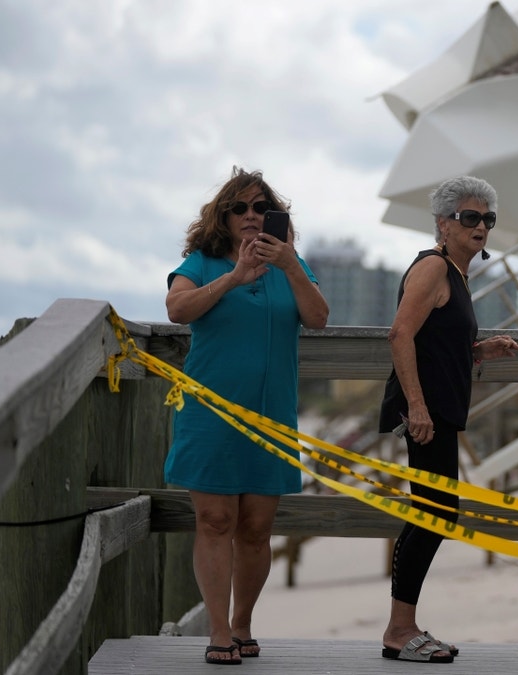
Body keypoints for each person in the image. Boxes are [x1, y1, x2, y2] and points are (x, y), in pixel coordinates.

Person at [164, 167, 329, 665]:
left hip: (272, 415)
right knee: (215, 520)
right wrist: (234, 278)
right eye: (241, 208)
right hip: (209, 413)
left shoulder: (290, 264)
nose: (251, 216)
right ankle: (217, 630)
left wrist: (291, 266)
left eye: (261, 207)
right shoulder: (203, 261)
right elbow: (177, 309)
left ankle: (242, 624)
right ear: (224, 216)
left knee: (256, 528)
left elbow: (318, 317)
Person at [377, 175, 518, 664]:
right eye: (470, 217)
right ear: (443, 223)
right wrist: (416, 407)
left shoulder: (456, 275)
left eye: (488, 218)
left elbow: (435, 340)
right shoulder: (434, 267)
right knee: (433, 515)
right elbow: (400, 335)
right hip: (428, 414)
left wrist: (480, 350)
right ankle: (399, 630)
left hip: (440, 411)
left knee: (435, 514)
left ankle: (403, 625)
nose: (481, 226)